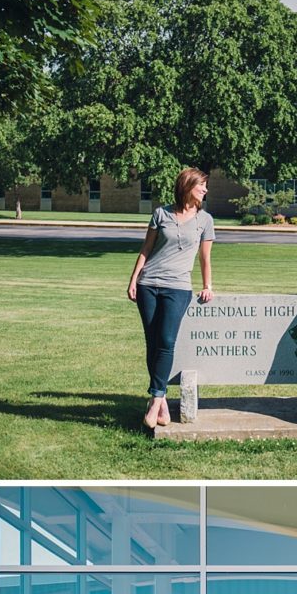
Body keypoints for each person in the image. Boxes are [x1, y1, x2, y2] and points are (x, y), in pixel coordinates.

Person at [127, 167, 215, 429]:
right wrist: (133, 279)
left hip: (178, 287)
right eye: (202, 186)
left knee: (166, 340)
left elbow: (205, 257)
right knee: (152, 343)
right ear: (188, 186)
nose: (205, 190)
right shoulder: (161, 214)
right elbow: (146, 249)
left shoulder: (205, 220)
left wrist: (208, 285)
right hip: (148, 285)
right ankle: (161, 399)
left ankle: (155, 399)